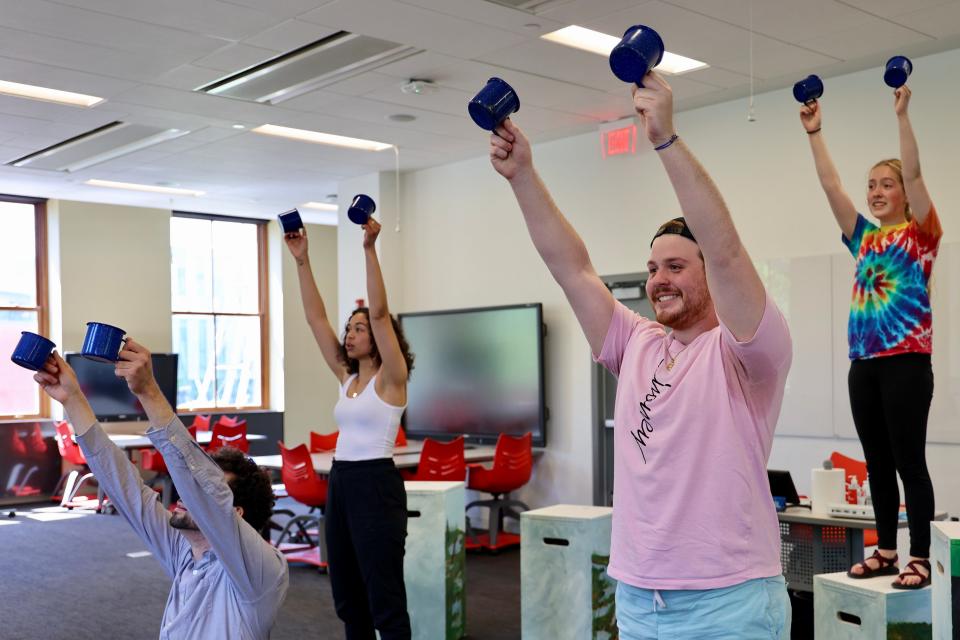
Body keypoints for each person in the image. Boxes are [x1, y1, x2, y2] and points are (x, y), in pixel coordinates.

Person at [488, 70, 792, 639]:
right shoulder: (637, 344)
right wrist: (523, 177)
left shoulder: (748, 353)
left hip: (729, 604)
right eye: (653, 268)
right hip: (637, 598)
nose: (658, 280)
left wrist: (664, 139)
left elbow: (725, 250)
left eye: (676, 266)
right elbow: (571, 268)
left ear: (707, 274)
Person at [32, 341, 288, 639]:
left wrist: (148, 392)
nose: (184, 496)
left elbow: (203, 489)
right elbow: (123, 485)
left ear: (236, 513)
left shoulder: (261, 573)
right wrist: (73, 399)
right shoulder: (184, 550)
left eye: (198, 496)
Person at [801, 83, 941, 589]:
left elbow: (919, 172)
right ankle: (885, 549)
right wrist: (815, 132)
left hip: (907, 360)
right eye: (872, 185)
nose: (876, 191)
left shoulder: (920, 234)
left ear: (904, 193)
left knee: (909, 462)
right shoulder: (864, 238)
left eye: (886, 184)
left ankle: (919, 557)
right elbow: (831, 187)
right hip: (864, 364)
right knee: (877, 462)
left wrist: (902, 115)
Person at [285, 216, 414, 639]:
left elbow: (379, 313)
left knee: (384, 597)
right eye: (350, 328)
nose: (351, 333)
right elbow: (315, 319)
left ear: (380, 339)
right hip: (342, 482)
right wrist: (302, 261)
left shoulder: (391, 379)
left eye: (359, 329)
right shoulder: (347, 378)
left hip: (376, 484)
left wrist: (369, 249)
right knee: (348, 597)